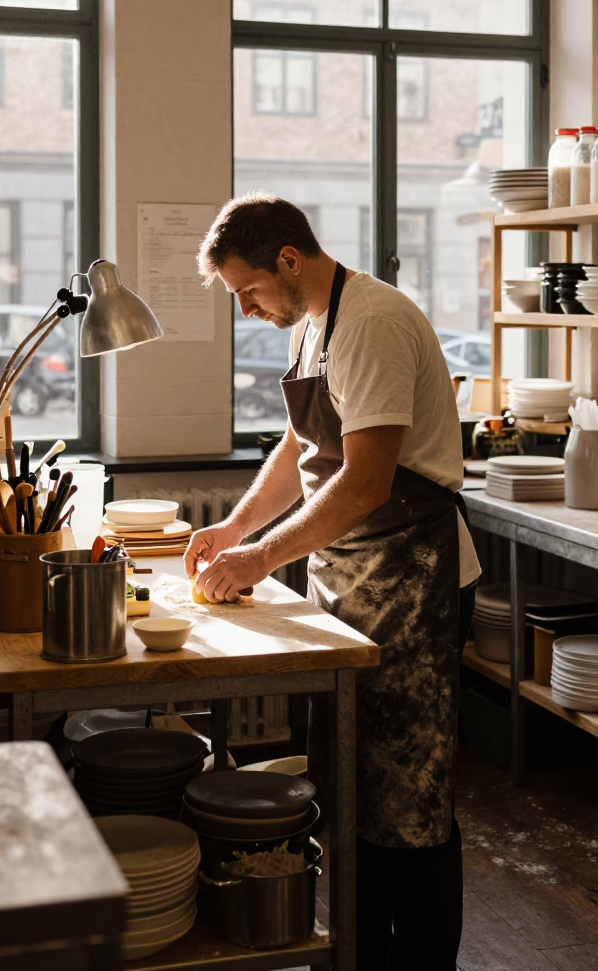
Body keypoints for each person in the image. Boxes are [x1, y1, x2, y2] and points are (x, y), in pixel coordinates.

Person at [185, 192, 481, 971]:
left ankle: (422, 963)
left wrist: (257, 560)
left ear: (289, 259)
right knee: (350, 783)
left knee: (410, 797)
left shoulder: (372, 322)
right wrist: (235, 528)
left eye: (249, 290)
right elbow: (300, 449)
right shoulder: (312, 323)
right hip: (351, 579)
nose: (246, 310)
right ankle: (363, 952)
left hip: (414, 577)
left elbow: (366, 481)